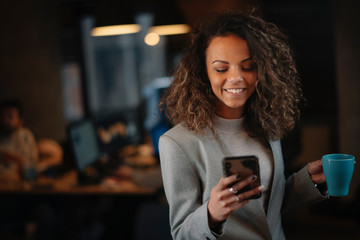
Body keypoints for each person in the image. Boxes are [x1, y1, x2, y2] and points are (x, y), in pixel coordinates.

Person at [158, 11, 328, 240]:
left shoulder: (268, 125)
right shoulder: (177, 143)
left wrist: (308, 181)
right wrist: (211, 214)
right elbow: (181, 234)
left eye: (248, 66)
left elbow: (266, 207)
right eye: (221, 68)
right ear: (203, 71)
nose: (236, 77)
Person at [0, 98, 38, 182]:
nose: (4, 120)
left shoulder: (25, 135)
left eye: (10, 116)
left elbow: (30, 163)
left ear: (20, 121)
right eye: (2, 116)